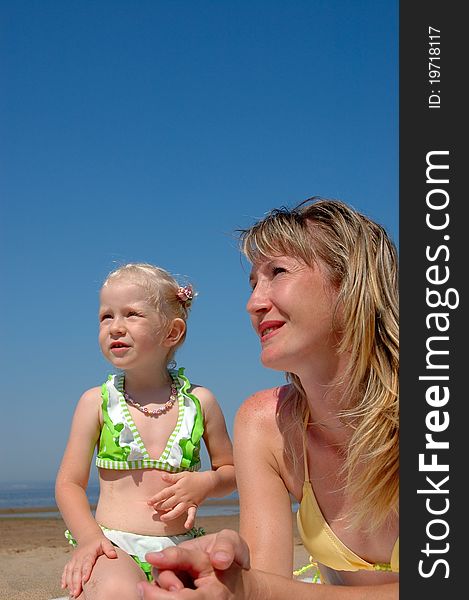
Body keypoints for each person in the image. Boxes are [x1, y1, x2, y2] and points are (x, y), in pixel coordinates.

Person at [137, 198, 399, 599]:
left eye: (278, 272)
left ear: (351, 284)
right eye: (253, 283)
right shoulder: (266, 423)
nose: (254, 303)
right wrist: (220, 577)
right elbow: (262, 582)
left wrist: (258, 588)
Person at [55, 263, 236, 599]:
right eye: (106, 316)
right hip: (112, 545)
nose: (115, 327)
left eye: (131, 314)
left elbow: (231, 472)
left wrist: (207, 482)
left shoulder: (201, 402)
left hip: (180, 546)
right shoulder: (96, 402)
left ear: (172, 332)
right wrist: (89, 538)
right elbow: (68, 484)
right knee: (120, 590)